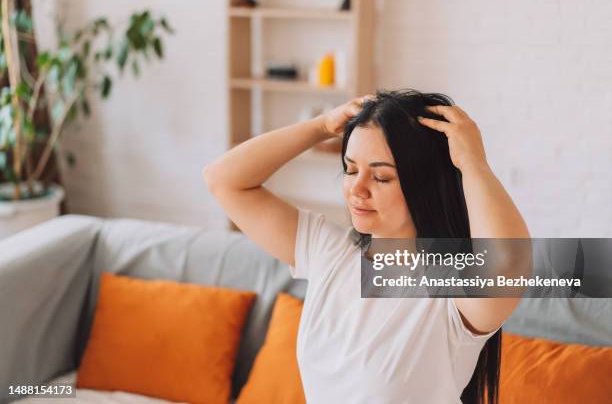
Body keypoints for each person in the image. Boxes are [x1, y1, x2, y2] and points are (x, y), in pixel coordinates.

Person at [202, 89, 530, 404]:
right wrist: (320, 126)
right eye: (351, 169)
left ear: (426, 185)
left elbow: (509, 265)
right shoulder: (328, 251)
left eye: (381, 177)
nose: (357, 189)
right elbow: (224, 180)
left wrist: (473, 164)